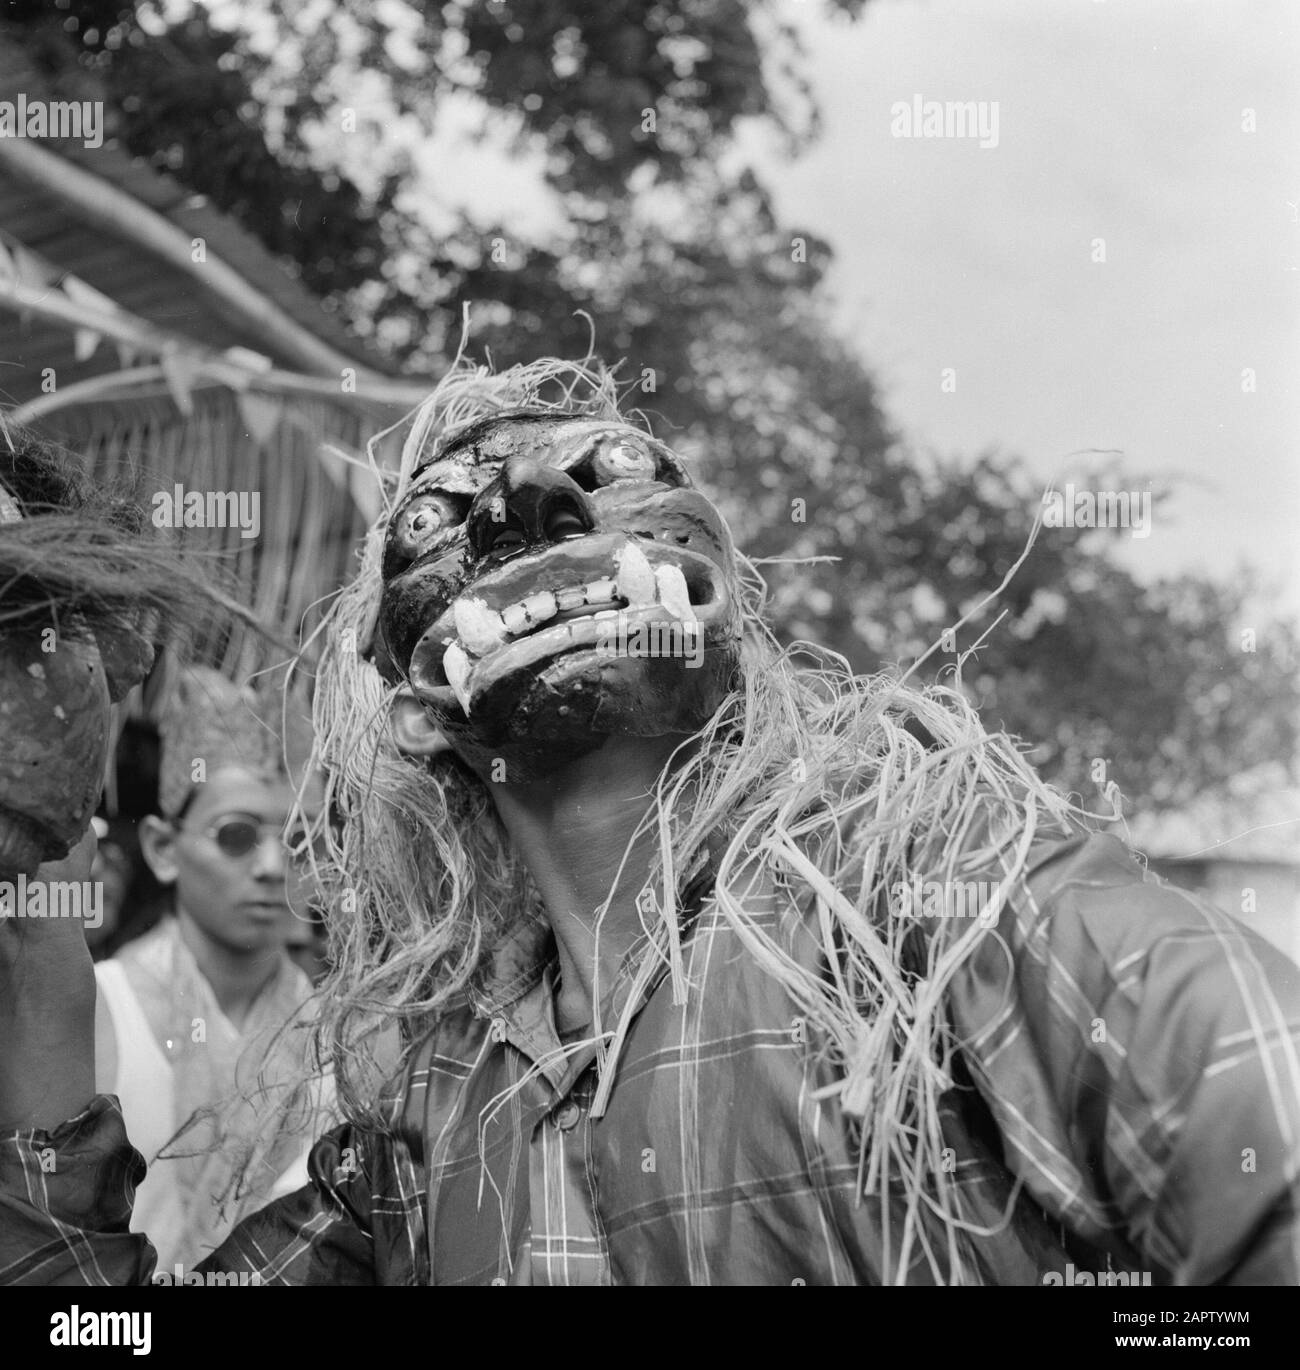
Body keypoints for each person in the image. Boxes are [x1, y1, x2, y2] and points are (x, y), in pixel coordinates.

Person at [1, 362, 1297, 1285]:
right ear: (416, 714)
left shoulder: (955, 932)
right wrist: (45, 977)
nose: (532, 506)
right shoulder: (429, 1118)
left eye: (615, 471)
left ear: (730, 609)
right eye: (438, 522)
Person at [93, 666, 329, 1274]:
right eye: (237, 836)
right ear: (163, 849)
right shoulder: (100, 1008)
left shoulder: (342, 1036)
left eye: (299, 839)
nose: (274, 866)